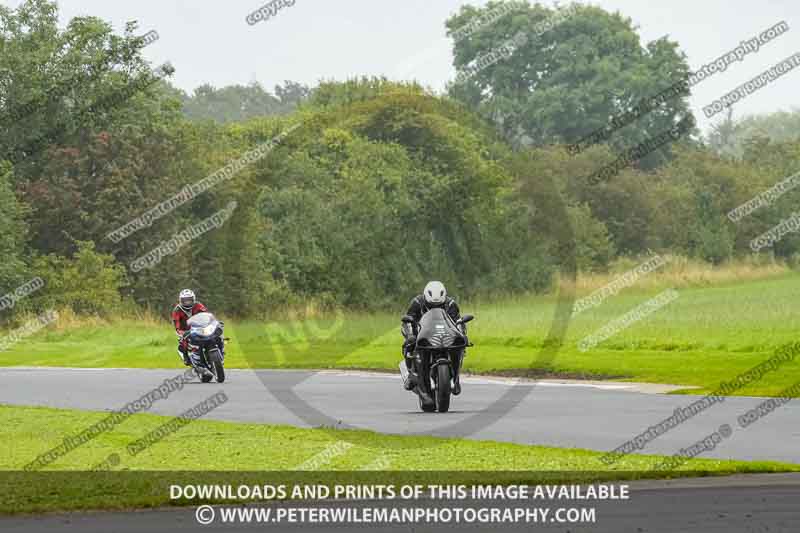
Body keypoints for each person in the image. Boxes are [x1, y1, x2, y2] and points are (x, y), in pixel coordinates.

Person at [400, 281, 467, 395]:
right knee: (409, 343)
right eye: (431, 306)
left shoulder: (451, 304)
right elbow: (407, 321)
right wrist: (411, 334)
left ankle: (455, 377)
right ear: (426, 298)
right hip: (421, 334)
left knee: (461, 345)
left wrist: (462, 334)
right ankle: (411, 374)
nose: (435, 307)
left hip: (444, 334)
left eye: (439, 306)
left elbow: (458, 322)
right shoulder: (417, 302)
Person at [172, 289, 222, 369]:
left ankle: (221, 351)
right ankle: (186, 357)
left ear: (193, 299)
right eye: (185, 300)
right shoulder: (177, 310)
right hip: (186, 330)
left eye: (189, 300)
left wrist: (214, 322)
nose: (187, 302)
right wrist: (181, 332)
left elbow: (207, 314)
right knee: (183, 340)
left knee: (217, 335)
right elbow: (177, 324)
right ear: (181, 300)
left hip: (199, 327)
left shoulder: (198, 305)